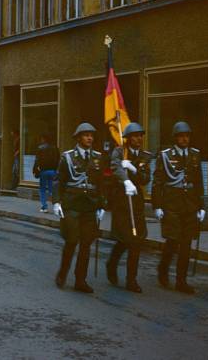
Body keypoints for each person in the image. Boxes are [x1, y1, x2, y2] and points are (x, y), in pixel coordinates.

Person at [152, 121, 205, 294]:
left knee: (187, 243)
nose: (185, 139)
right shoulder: (165, 155)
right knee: (173, 241)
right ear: (175, 138)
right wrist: (157, 206)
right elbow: (158, 182)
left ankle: (181, 280)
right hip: (171, 204)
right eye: (182, 136)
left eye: (187, 136)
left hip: (190, 204)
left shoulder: (195, 155)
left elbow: (198, 183)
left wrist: (201, 206)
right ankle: (163, 269)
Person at [52, 123, 105, 293]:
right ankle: (62, 274)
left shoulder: (98, 157)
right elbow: (59, 181)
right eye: (86, 135)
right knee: (72, 241)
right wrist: (56, 202)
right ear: (78, 137)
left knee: (86, 244)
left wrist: (102, 204)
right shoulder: (67, 157)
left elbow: (101, 183)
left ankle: (80, 280)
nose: (90, 138)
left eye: (91, 135)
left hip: (89, 205)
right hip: (72, 204)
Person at [107, 123, 151, 293]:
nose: (138, 139)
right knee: (124, 239)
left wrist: (132, 168)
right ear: (127, 138)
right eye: (135, 136)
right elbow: (115, 167)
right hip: (121, 199)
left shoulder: (145, 156)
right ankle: (112, 263)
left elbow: (145, 179)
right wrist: (125, 179)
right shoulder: (119, 151)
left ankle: (131, 280)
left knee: (136, 240)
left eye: (140, 136)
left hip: (136, 199)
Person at [33, 134, 60, 212]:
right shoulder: (55, 148)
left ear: (44, 139)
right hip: (53, 171)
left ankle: (44, 207)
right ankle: (56, 206)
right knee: (53, 189)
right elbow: (58, 160)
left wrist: (35, 170)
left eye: (42, 139)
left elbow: (37, 161)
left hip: (43, 171)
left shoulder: (40, 148)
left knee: (43, 189)